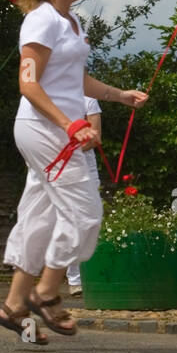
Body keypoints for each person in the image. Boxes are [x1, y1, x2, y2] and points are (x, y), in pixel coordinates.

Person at [0, 0, 146, 344]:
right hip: (45, 129)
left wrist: (119, 95)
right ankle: (45, 293)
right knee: (85, 212)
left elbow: (73, 79)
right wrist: (70, 124)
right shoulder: (41, 21)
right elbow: (28, 83)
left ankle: (13, 305)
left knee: (40, 217)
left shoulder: (72, 22)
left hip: (57, 128)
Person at [66, 96, 103, 298]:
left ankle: (89, 274)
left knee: (90, 220)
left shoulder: (89, 101)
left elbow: (94, 137)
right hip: (61, 166)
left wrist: (70, 150)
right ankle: (74, 278)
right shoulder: (55, 98)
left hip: (86, 168)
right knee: (71, 221)